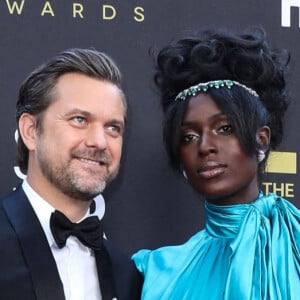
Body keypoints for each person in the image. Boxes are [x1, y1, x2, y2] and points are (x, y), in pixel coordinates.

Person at [132, 28, 300, 299]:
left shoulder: (296, 247)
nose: (205, 146)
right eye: (189, 136)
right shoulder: (157, 272)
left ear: (262, 139)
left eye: (224, 129)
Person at [0, 48, 142, 300]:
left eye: (112, 127)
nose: (99, 141)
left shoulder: (127, 275)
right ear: (31, 131)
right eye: (79, 119)